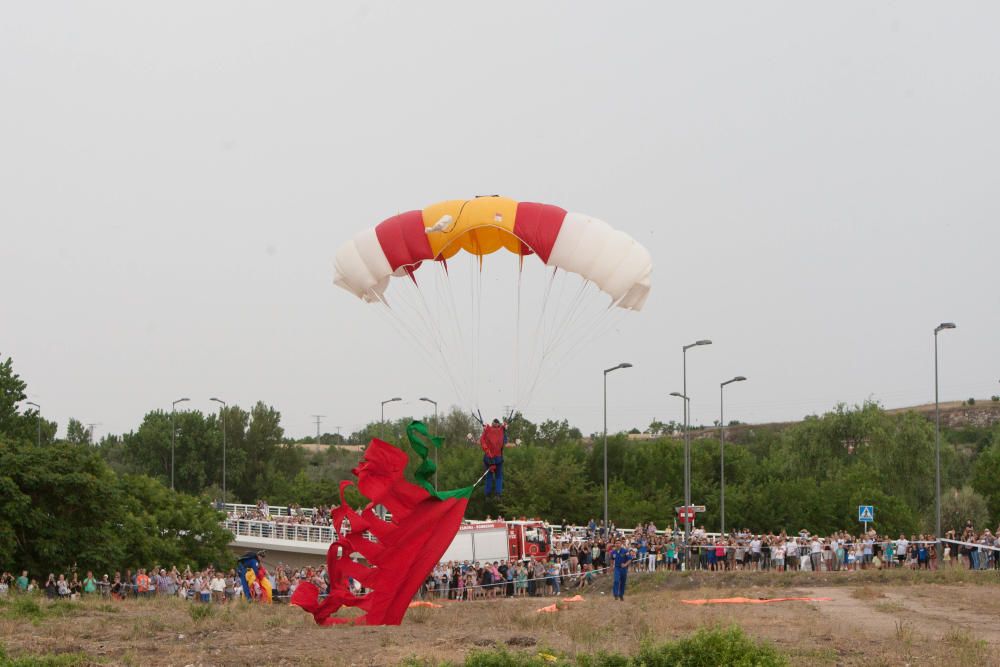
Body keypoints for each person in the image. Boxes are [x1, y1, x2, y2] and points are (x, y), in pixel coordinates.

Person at [480, 418, 507, 498]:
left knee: (489, 476)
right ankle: (498, 494)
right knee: (499, 476)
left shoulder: (487, 430)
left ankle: (487, 495)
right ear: (498, 424)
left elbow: (482, 441)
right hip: (498, 459)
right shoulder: (501, 431)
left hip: (488, 459)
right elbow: (504, 443)